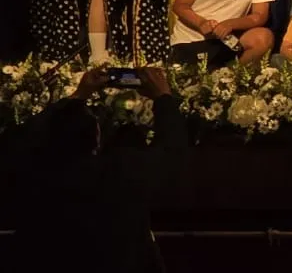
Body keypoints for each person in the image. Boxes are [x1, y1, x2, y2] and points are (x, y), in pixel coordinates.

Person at [11, 65, 185, 273]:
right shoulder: (119, 173)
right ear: (96, 138)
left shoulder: (35, 174)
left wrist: (77, 96)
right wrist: (163, 97)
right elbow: (172, 149)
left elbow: (22, 137)